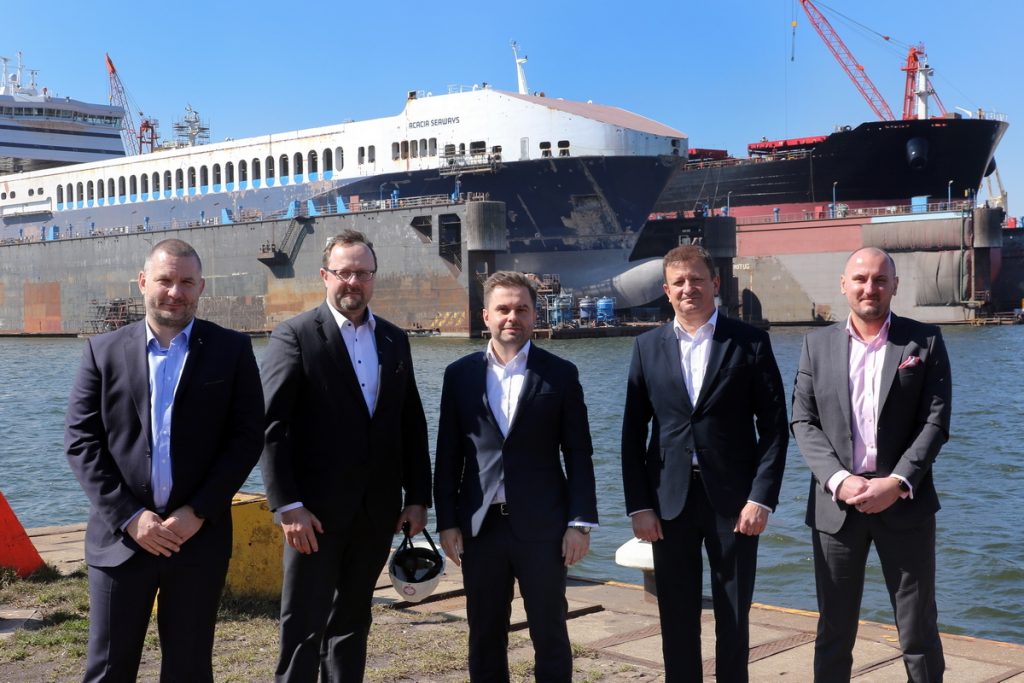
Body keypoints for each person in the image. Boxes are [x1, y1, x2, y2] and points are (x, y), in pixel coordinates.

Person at [65, 238, 265, 682]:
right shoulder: (103, 351)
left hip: (196, 539)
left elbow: (247, 438)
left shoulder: (232, 350)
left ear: (201, 287)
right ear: (142, 282)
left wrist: (198, 512)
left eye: (186, 282)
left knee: (190, 669)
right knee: (108, 669)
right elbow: (81, 441)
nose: (175, 291)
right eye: (165, 280)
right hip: (121, 542)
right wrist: (130, 517)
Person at [260, 229, 432, 682]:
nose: (353, 282)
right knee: (302, 624)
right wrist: (288, 506)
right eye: (344, 272)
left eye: (363, 273)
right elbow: (271, 427)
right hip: (312, 514)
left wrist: (417, 497)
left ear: (374, 278)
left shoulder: (394, 340)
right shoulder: (294, 336)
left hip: (376, 512)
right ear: (325, 276)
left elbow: (411, 423)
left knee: (354, 621)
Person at [620, 245, 789, 682]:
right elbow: (632, 434)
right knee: (676, 615)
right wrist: (639, 506)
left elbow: (774, 428)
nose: (688, 288)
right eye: (679, 282)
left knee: (734, 612)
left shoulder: (750, 342)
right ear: (666, 291)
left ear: (715, 283)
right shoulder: (646, 347)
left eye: (696, 279)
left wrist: (762, 498)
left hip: (734, 503)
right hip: (667, 501)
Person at [791, 247, 950, 683]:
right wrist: (839, 481)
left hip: (905, 506)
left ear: (894, 286)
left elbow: (935, 423)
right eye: (860, 279)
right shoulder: (815, 345)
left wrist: (896, 483)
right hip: (836, 510)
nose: (870, 288)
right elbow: (802, 421)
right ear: (844, 285)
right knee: (834, 630)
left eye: (880, 280)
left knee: (918, 631)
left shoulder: (925, 341)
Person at [434, 270, 598, 682]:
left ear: (534, 313)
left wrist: (579, 523)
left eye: (522, 309)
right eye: (503, 309)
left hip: (545, 526)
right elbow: (448, 453)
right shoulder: (459, 375)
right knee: (485, 633)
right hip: (480, 525)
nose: (513, 317)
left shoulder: (561, 373)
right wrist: (447, 521)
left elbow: (578, 453)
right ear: (485, 314)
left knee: (550, 631)